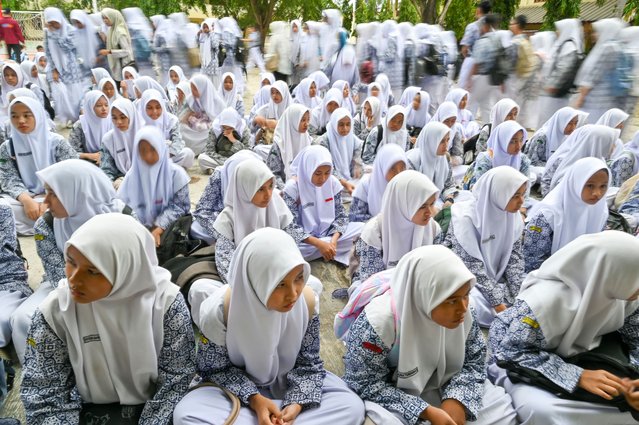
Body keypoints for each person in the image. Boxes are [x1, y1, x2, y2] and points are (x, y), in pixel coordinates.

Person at [173, 228, 365, 425]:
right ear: (256, 280)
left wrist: (297, 404)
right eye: (279, 284)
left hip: (290, 383)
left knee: (351, 406)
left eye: (299, 278)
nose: (293, 295)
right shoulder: (220, 311)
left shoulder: (306, 302)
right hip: (239, 394)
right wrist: (256, 401)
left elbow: (309, 364)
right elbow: (214, 370)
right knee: (187, 414)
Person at [20, 213, 196, 424]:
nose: (73, 280)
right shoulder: (55, 312)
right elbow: (44, 393)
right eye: (71, 262)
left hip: (156, 408)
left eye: (93, 271)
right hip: (84, 410)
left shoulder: (165, 304)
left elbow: (177, 379)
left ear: (126, 269)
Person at [342, 245, 518, 425]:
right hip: (396, 390)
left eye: (466, 295)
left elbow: (474, 360)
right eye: (451, 301)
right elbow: (364, 383)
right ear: (424, 295)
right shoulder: (378, 324)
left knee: (503, 413)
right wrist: (425, 411)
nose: (463, 308)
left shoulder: (466, 312)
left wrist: (457, 400)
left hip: (446, 380)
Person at [489, 231, 639, 425]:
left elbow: (636, 337)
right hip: (526, 363)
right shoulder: (544, 301)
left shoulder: (626, 296)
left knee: (626, 405)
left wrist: (633, 380)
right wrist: (578, 376)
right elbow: (510, 353)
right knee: (543, 410)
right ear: (611, 273)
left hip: (588, 355)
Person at [11, 159, 135, 364]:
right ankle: (44, 375)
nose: (46, 202)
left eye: (53, 193)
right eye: (45, 192)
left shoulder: (122, 216)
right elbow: (56, 272)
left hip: (119, 287)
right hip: (64, 285)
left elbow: (134, 265)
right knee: (24, 318)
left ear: (78, 191)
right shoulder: (47, 224)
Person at [443, 166, 527, 327]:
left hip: (496, 276)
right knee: (470, 305)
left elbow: (515, 260)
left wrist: (517, 297)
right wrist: (499, 306)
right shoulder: (465, 218)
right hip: (468, 279)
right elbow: (473, 268)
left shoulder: (514, 218)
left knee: (531, 284)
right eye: (515, 196)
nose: (522, 202)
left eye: (523, 195)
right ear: (498, 194)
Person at [349, 170, 441, 292]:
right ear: (403, 203)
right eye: (422, 206)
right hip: (384, 291)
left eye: (432, 204)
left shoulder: (433, 229)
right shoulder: (375, 231)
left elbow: (436, 269)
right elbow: (371, 281)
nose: (430, 212)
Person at [0, 97, 78, 235]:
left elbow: (73, 174)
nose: (21, 121)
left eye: (26, 115)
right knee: (3, 208)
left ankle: (45, 220)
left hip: (57, 196)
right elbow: (8, 178)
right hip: (25, 199)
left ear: (37, 114)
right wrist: (26, 200)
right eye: (15, 116)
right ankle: (49, 222)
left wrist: (49, 199)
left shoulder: (57, 142)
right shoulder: (7, 147)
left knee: (73, 204)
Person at [523, 157, 609, 273]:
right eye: (590, 186)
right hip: (549, 276)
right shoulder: (548, 216)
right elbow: (533, 262)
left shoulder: (601, 210)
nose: (597, 193)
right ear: (576, 182)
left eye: (603, 186)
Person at [282, 146, 363, 266]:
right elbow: (290, 227)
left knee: (362, 229)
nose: (323, 178)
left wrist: (333, 241)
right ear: (307, 169)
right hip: (305, 242)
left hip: (330, 236)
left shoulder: (333, 183)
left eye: (327, 173)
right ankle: (326, 250)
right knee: (287, 249)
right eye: (318, 173)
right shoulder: (293, 188)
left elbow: (341, 216)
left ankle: (328, 249)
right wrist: (319, 244)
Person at [118, 126, 191, 248]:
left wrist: (159, 228)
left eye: (153, 149)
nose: (148, 156)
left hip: (168, 226)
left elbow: (179, 207)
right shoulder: (133, 174)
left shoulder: (176, 174)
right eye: (142, 151)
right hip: (138, 226)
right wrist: (140, 229)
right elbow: (123, 204)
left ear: (160, 148)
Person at [191, 150, 261, 245]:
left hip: (255, 221)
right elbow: (202, 210)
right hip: (223, 219)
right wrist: (221, 232)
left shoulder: (262, 178)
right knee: (198, 228)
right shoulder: (221, 175)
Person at [541, 124, 618, 196]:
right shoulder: (566, 160)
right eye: (611, 143)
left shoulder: (601, 162)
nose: (614, 147)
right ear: (599, 143)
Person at [573, 18, 625, 123]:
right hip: (607, 101)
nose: (594, 35)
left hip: (595, 101)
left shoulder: (607, 48)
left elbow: (593, 76)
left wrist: (579, 99)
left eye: (597, 31)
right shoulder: (618, 46)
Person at [43, 7, 89, 124]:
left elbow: (68, 47)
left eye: (55, 23)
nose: (54, 26)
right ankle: (66, 118)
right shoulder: (47, 32)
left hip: (72, 69)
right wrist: (54, 69)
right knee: (60, 96)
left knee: (74, 96)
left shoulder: (70, 30)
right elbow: (48, 51)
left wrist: (55, 35)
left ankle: (77, 119)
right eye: (51, 23)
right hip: (56, 69)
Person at [536, 19, 584, 125]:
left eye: (559, 30)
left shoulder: (569, 46)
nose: (557, 32)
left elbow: (563, 69)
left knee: (548, 122)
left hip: (555, 94)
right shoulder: (563, 45)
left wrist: (553, 85)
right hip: (552, 93)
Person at [139, 89, 195, 169]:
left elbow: (177, 141)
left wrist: (165, 155)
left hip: (168, 156)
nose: (154, 112)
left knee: (188, 153)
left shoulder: (171, 120)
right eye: (150, 108)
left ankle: (163, 169)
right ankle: (169, 169)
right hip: (149, 158)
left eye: (158, 107)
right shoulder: (139, 122)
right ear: (144, 107)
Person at [350, 143, 406, 223]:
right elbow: (355, 217)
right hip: (373, 231)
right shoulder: (366, 185)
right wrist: (383, 224)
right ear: (382, 166)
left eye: (403, 168)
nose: (398, 173)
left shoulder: (407, 186)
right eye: (392, 168)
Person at [313, 108, 363, 195]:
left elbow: (358, 148)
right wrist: (343, 182)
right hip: (327, 179)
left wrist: (357, 165)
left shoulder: (351, 137)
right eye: (341, 125)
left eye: (348, 124)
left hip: (349, 178)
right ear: (334, 124)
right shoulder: (323, 141)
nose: (345, 128)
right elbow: (326, 167)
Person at [407, 121, 458, 207]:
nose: (446, 145)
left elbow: (448, 184)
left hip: (435, 201)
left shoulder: (443, 159)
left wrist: (449, 199)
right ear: (431, 141)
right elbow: (410, 195)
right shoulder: (412, 162)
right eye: (441, 141)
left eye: (447, 140)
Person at [266, 104, 311, 189]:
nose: (307, 124)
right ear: (292, 121)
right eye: (302, 120)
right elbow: (274, 175)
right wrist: (288, 190)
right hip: (283, 188)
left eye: (308, 120)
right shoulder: (279, 145)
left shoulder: (307, 140)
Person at [179, 74, 225, 155]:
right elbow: (182, 117)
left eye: (195, 89)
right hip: (194, 128)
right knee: (181, 129)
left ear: (203, 88)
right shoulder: (191, 99)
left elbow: (221, 123)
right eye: (192, 88)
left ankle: (200, 149)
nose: (193, 91)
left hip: (207, 131)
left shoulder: (218, 103)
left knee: (212, 134)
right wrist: (190, 115)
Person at [100, 98, 142, 188]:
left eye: (123, 117)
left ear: (131, 115)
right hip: (121, 183)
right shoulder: (108, 139)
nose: (118, 122)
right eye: (114, 118)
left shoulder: (146, 135)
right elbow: (106, 170)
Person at [198, 107, 249, 173]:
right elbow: (209, 151)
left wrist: (234, 140)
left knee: (248, 160)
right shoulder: (215, 128)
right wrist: (227, 161)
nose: (227, 130)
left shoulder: (243, 129)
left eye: (230, 128)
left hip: (237, 159)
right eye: (224, 127)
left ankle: (223, 168)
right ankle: (230, 168)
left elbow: (248, 151)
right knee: (202, 158)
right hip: (221, 158)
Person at [68, 90, 111, 166]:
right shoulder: (80, 126)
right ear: (90, 107)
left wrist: (105, 155)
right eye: (99, 105)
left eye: (106, 105)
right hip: (86, 164)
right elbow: (71, 152)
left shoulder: (111, 122)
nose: (104, 108)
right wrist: (89, 156)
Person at [99, 8, 135, 88]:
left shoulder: (119, 31)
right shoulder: (112, 30)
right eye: (103, 18)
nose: (105, 21)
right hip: (118, 67)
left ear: (112, 17)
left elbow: (126, 51)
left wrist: (109, 52)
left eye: (106, 18)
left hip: (124, 67)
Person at [198, 18, 221, 87]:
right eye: (204, 27)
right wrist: (199, 34)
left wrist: (211, 32)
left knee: (213, 83)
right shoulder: (205, 37)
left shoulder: (214, 35)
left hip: (212, 64)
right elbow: (199, 44)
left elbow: (215, 45)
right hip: (205, 64)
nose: (205, 29)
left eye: (206, 27)